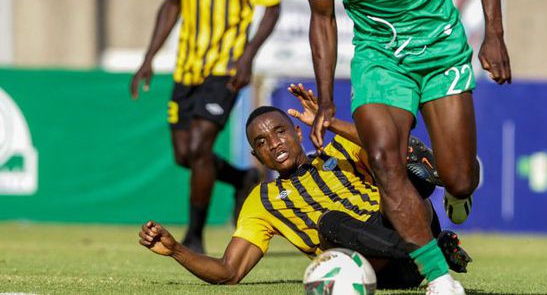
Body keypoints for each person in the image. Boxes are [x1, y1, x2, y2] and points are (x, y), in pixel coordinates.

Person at [298, 0, 511, 295]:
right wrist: (326, 98)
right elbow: (322, 20)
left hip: (440, 52)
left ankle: (459, 184)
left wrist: (494, 34)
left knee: (457, 178)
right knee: (382, 158)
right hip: (380, 58)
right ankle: (439, 278)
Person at [138, 84, 471, 289]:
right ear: (256, 156)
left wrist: (330, 124)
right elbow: (229, 271)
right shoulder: (263, 201)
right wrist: (176, 250)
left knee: (398, 167)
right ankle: (431, 251)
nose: (274, 144)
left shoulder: (338, 150)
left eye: (280, 132)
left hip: (411, 224)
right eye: (262, 142)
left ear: (298, 132)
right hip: (380, 269)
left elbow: (390, 147)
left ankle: (455, 194)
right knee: (329, 223)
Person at [130, 0, 281, 254]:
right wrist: (148, 57)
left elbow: (272, 7)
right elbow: (172, 2)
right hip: (187, 65)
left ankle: (194, 236)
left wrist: (247, 56)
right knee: (184, 155)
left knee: (199, 146)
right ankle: (242, 178)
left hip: (225, 66)